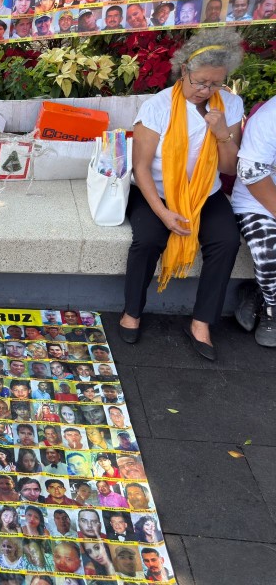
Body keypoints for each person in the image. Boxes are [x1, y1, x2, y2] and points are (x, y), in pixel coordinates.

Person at [119, 30, 244, 361]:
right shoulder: (158, 106)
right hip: (156, 192)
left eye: (215, 84)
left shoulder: (230, 105)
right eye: (200, 82)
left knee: (227, 241)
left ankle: (201, 322)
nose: (206, 90)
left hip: (205, 194)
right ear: (184, 69)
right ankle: (132, 312)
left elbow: (229, 168)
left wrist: (222, 134)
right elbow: (140, 168)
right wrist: (163, 213)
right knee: (148, 240)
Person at [233, 96, 276, 346]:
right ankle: (272, 309)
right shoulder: (269, 117)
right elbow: (252, 174)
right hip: (258, 200)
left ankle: (259, 292)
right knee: (270, 252)